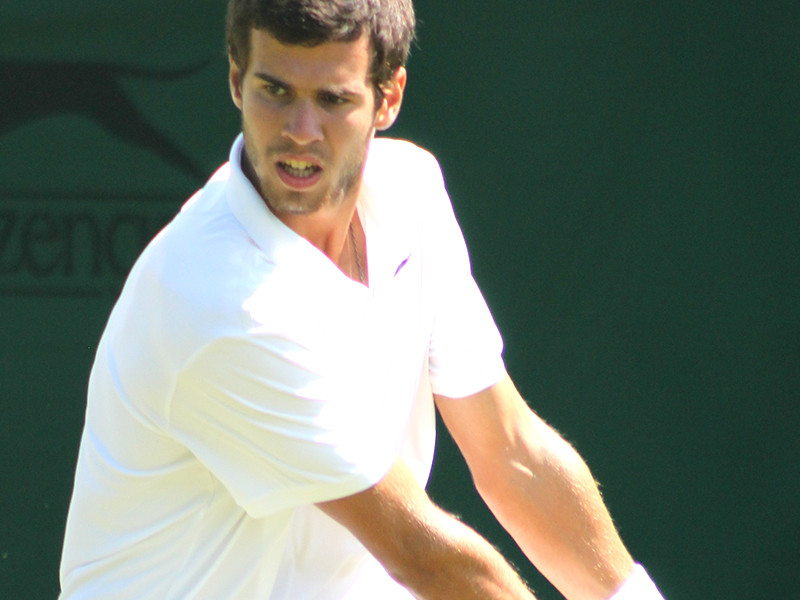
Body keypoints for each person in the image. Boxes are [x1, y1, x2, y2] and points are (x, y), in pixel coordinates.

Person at [59, 1, 666, 598]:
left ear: (389, 96)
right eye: (275, 91)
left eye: (332, 99)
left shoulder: (411, 194)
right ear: (237, 80)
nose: (300, 131)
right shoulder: (222, 304)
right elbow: (423, 557)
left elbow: (512, 454)